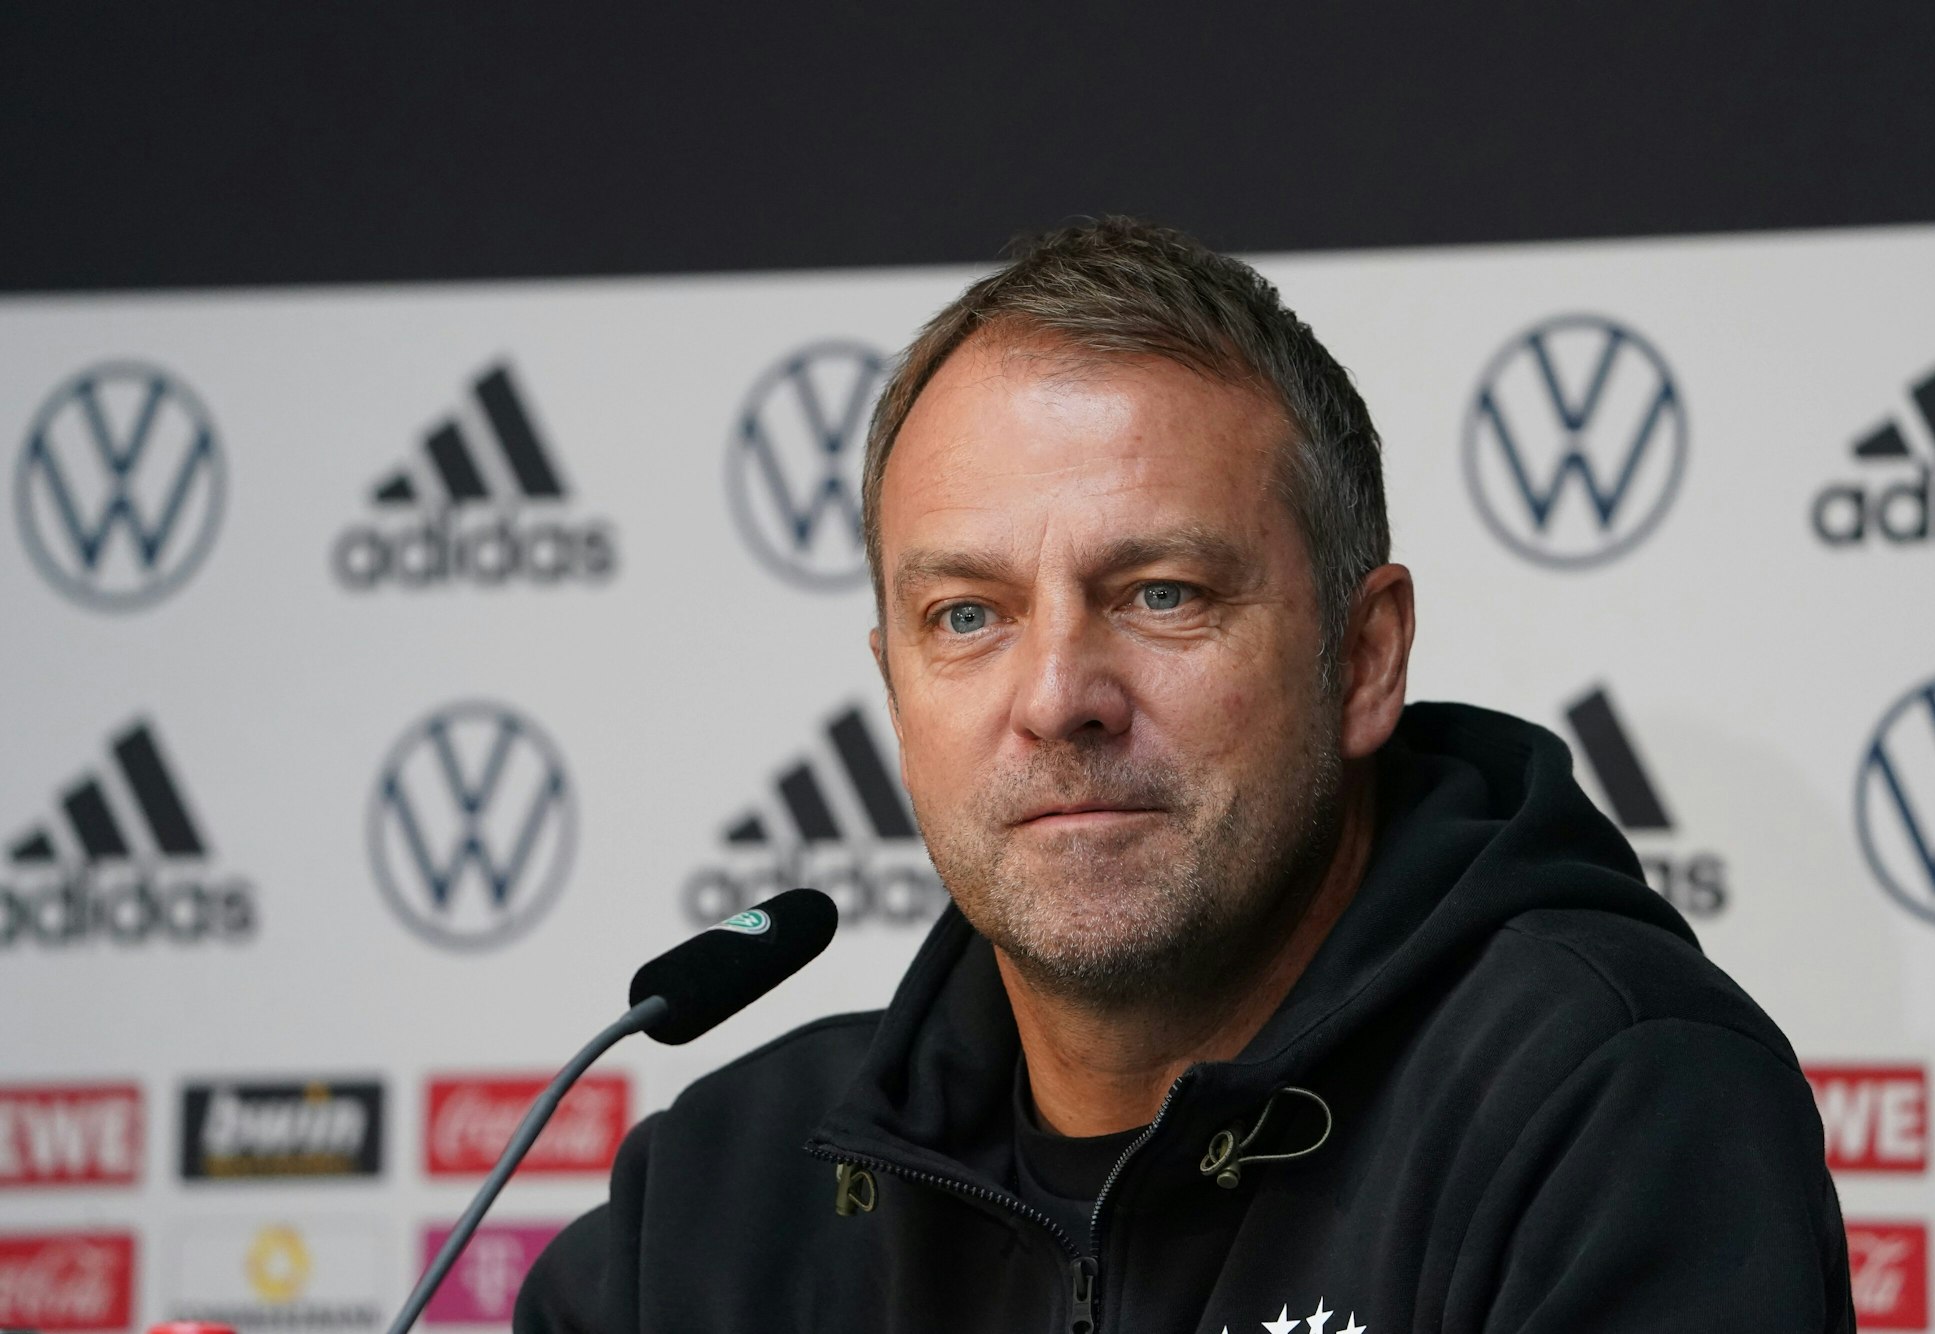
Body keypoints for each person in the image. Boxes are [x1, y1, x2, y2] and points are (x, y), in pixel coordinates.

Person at [516, 219, 1852, 1333]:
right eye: (967, 615)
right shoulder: (712, 1203)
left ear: (1364, 659)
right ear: (895, 686)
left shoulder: (1606, 1104)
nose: (1058, 698)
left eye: (1163, 593)